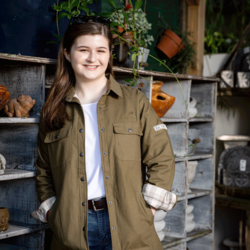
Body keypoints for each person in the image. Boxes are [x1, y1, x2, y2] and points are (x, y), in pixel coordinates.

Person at [31, 15, 177, 250]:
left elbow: (162, 158)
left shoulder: (135, 102)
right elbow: (44, 170)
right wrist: (52, 213)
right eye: (83, 50)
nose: (92, 58)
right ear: (67, 53)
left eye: (101, 50)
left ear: (110, 54)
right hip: (72, 230)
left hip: (131, 227)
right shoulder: (53, 109)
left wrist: (145, 210)